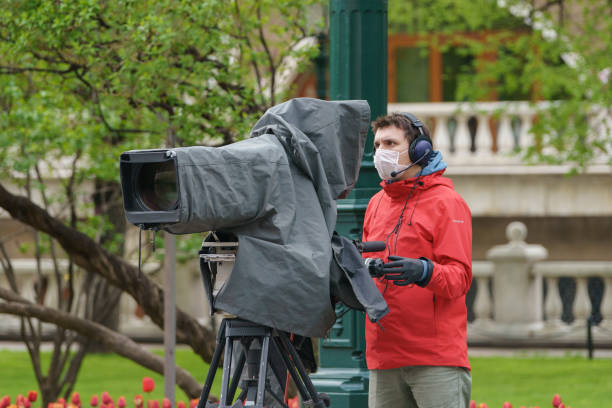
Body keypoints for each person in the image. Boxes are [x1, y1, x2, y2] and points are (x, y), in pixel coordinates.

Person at [362, 112, 473, 408]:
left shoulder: (447, 203)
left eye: (390, 143)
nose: (380, 152)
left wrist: (424, 271)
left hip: (435, 359)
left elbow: (460, 279)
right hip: (383, 356)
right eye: (377, 145)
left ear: (419, 149)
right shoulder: (375, 204)